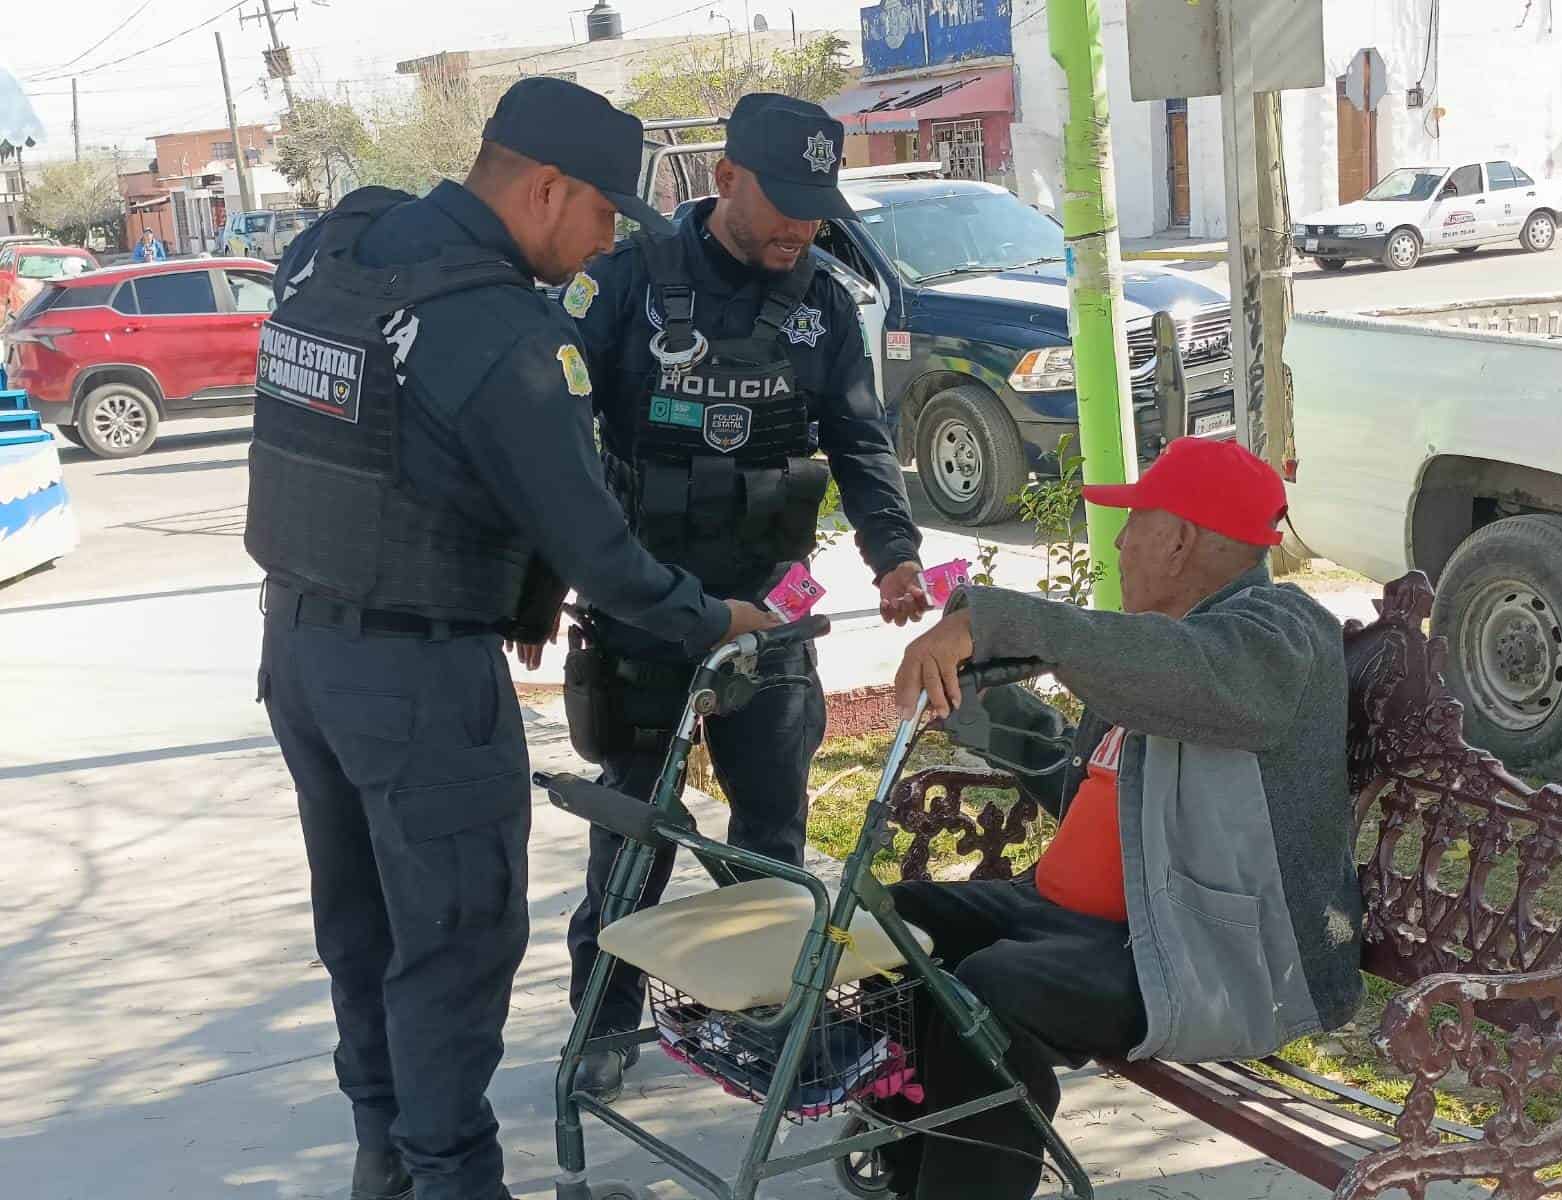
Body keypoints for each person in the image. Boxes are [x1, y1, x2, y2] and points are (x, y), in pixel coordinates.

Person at [247, 78, 777, 1200]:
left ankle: (384, 1156)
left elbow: (410, 454)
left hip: (300, 648)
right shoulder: (496, 325)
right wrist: (710, 619)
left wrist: (519, 599)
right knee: (453, 938)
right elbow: (601, 551)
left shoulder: (344, 247)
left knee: (363, 926)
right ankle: (451, 1180)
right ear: (546, 188)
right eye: (598, 218)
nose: (597, 251)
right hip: (417, 681)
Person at [557, 92, 928, 1099]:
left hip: (770, 616)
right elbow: (549, 441)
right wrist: (536, 580)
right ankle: (602, 1025)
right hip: (646, 607)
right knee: (634, 834)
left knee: (771, 836)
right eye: (783, 202)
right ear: (724, 180)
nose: (799, 227)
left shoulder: (825, 304)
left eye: (816, 204)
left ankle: (767, 1019)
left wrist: (894, 554)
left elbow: (859, 441)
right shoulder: (626, 287)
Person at [882, 438, 1365, 1200]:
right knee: (887, 925)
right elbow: (1089, 791)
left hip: (1200, 955)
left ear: (1178, 541)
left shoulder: (1281, 633)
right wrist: (983, 702)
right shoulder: (1157, 646)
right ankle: (920, 1169)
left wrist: (1002, 621)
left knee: (986, 986)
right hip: (1066, 915)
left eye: (1133, 521)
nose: (1117, 540)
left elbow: (1196, 670)